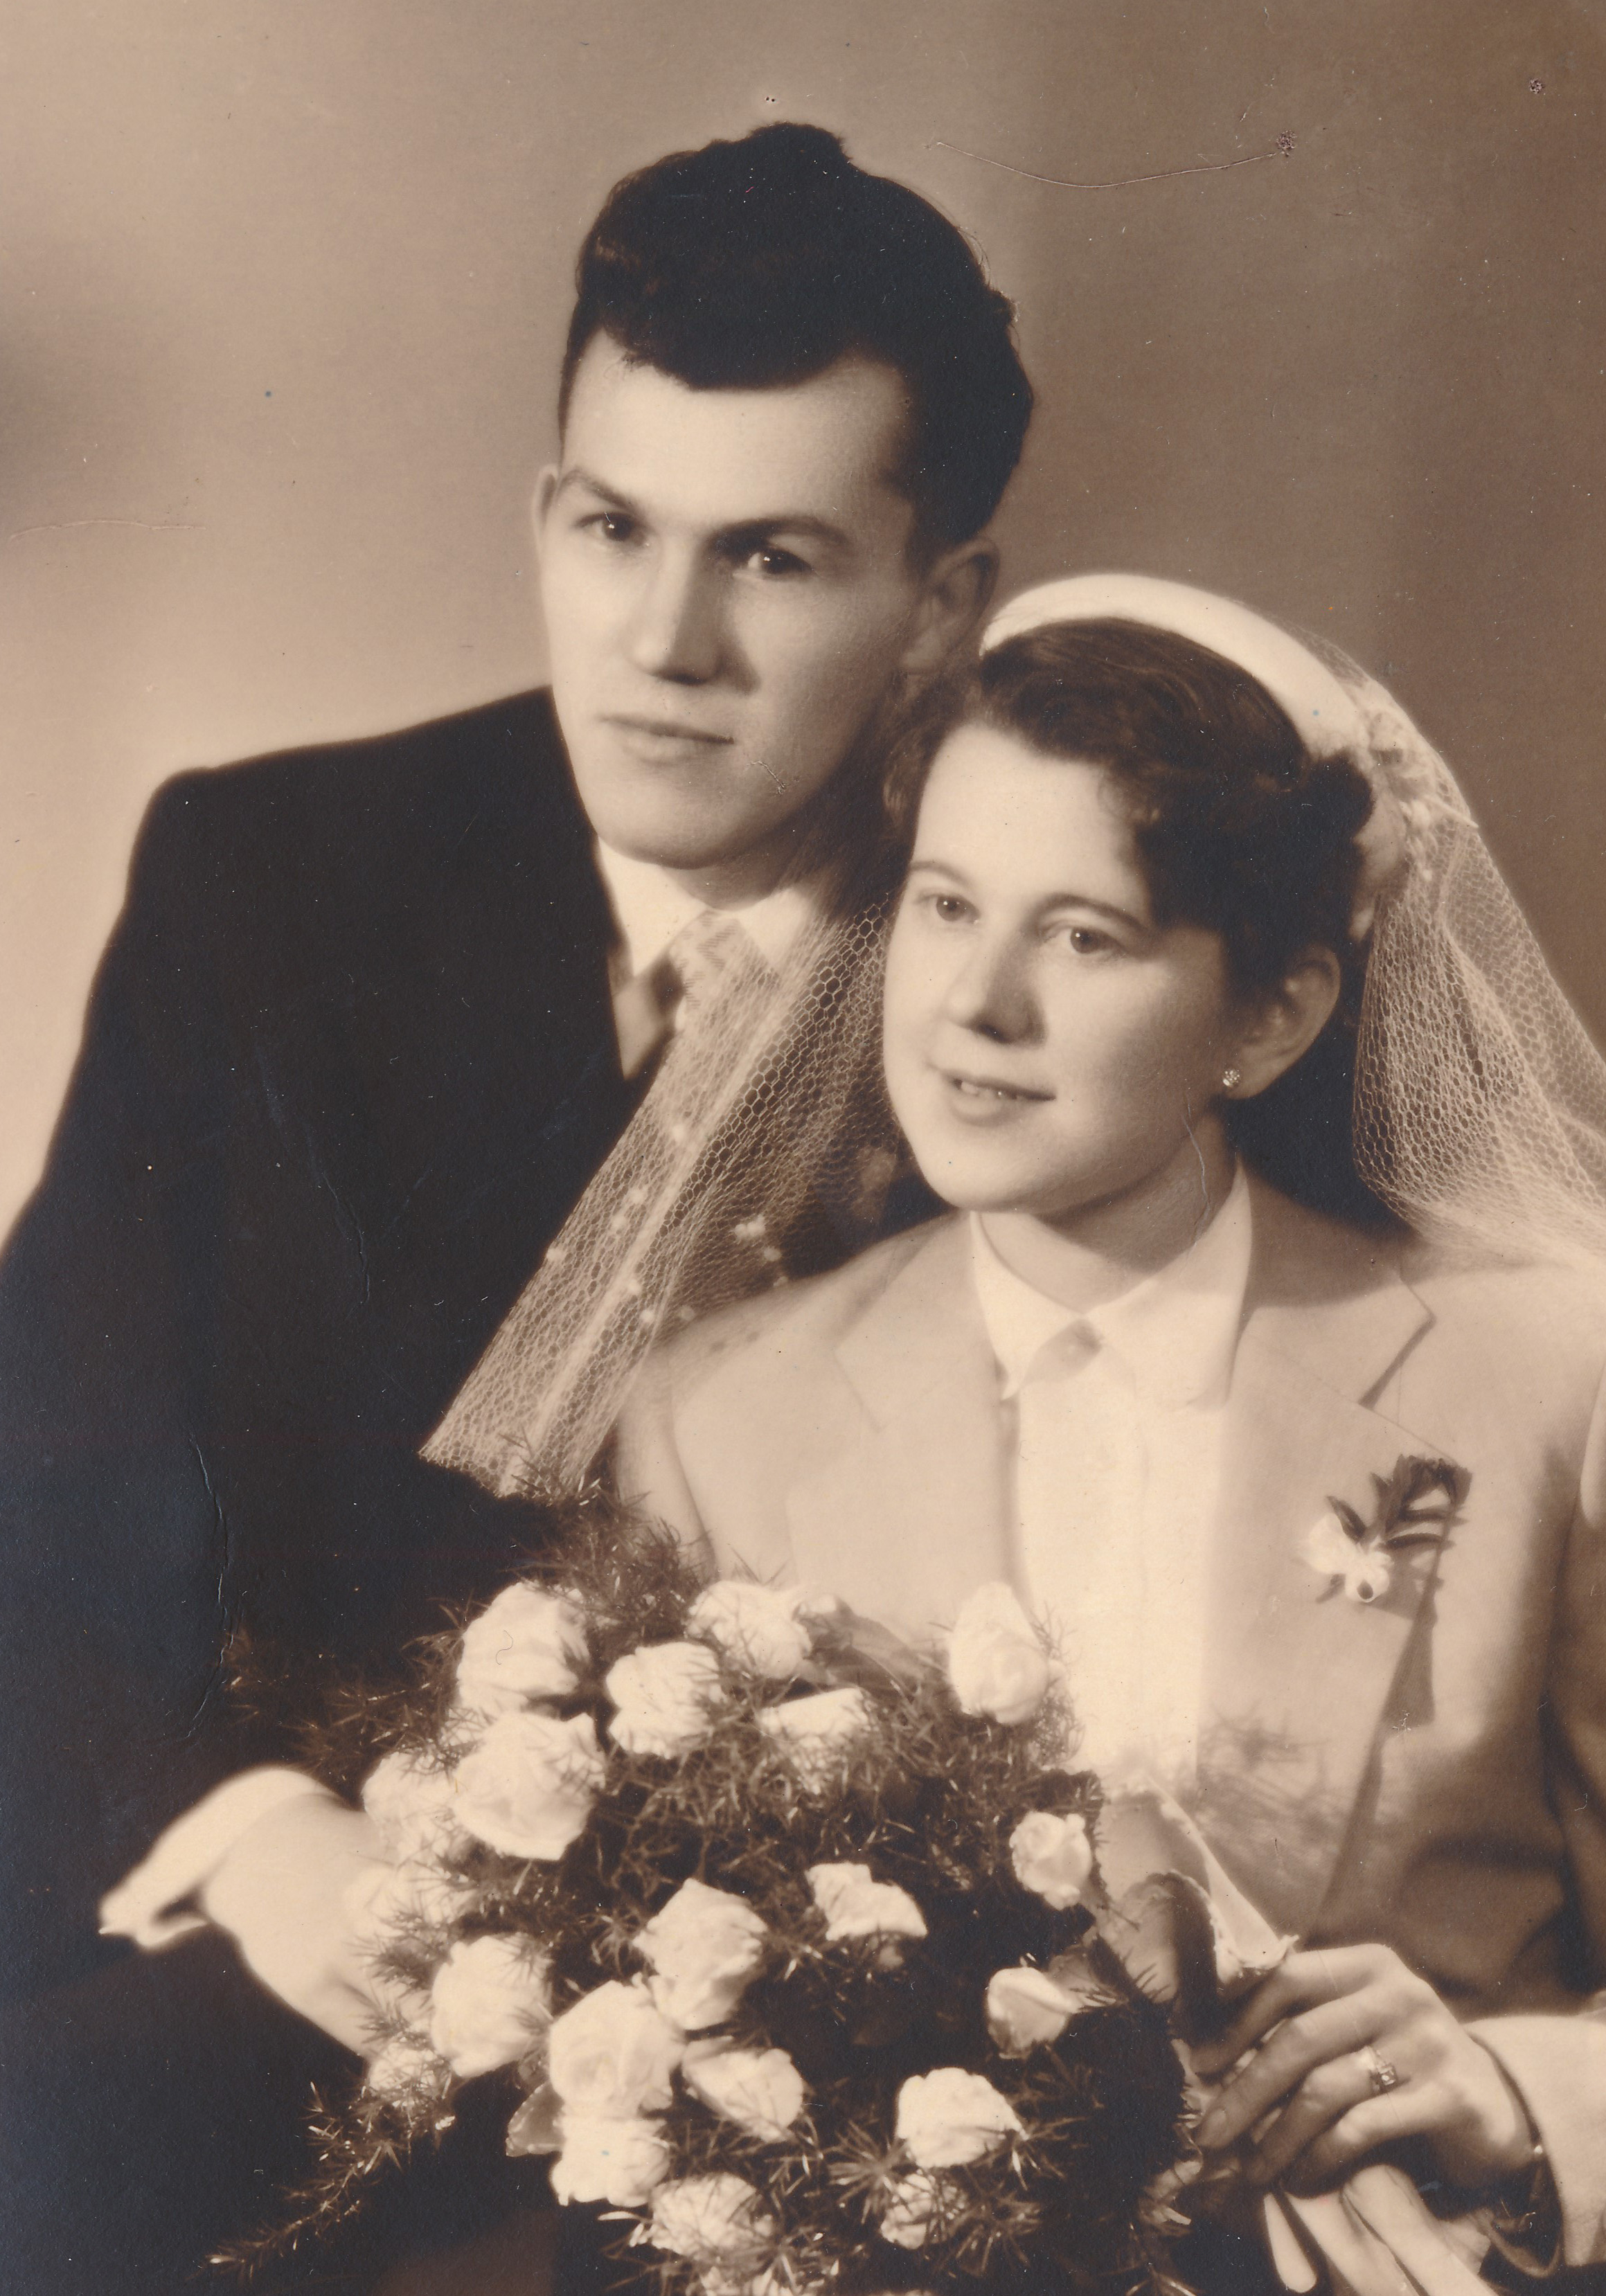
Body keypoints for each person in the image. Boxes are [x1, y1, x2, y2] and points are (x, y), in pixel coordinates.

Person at [0, 123, 1030, 2295]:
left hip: (770, 2017)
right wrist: (249, 1832)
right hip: (237, 1887)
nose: (662, 641)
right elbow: (44, 1489)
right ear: (546, 514)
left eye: (771, 559)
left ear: (938, 603)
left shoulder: (1024, 982)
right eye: (609, 528)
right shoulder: (267, 873)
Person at [612, 577, 1606, 2290]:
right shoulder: (718, 1420)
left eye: (1085, 936)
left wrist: (1518, 2086)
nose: (975, 1003)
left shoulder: (1564, 1385)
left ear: (1273, 1014)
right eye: (946, 905)